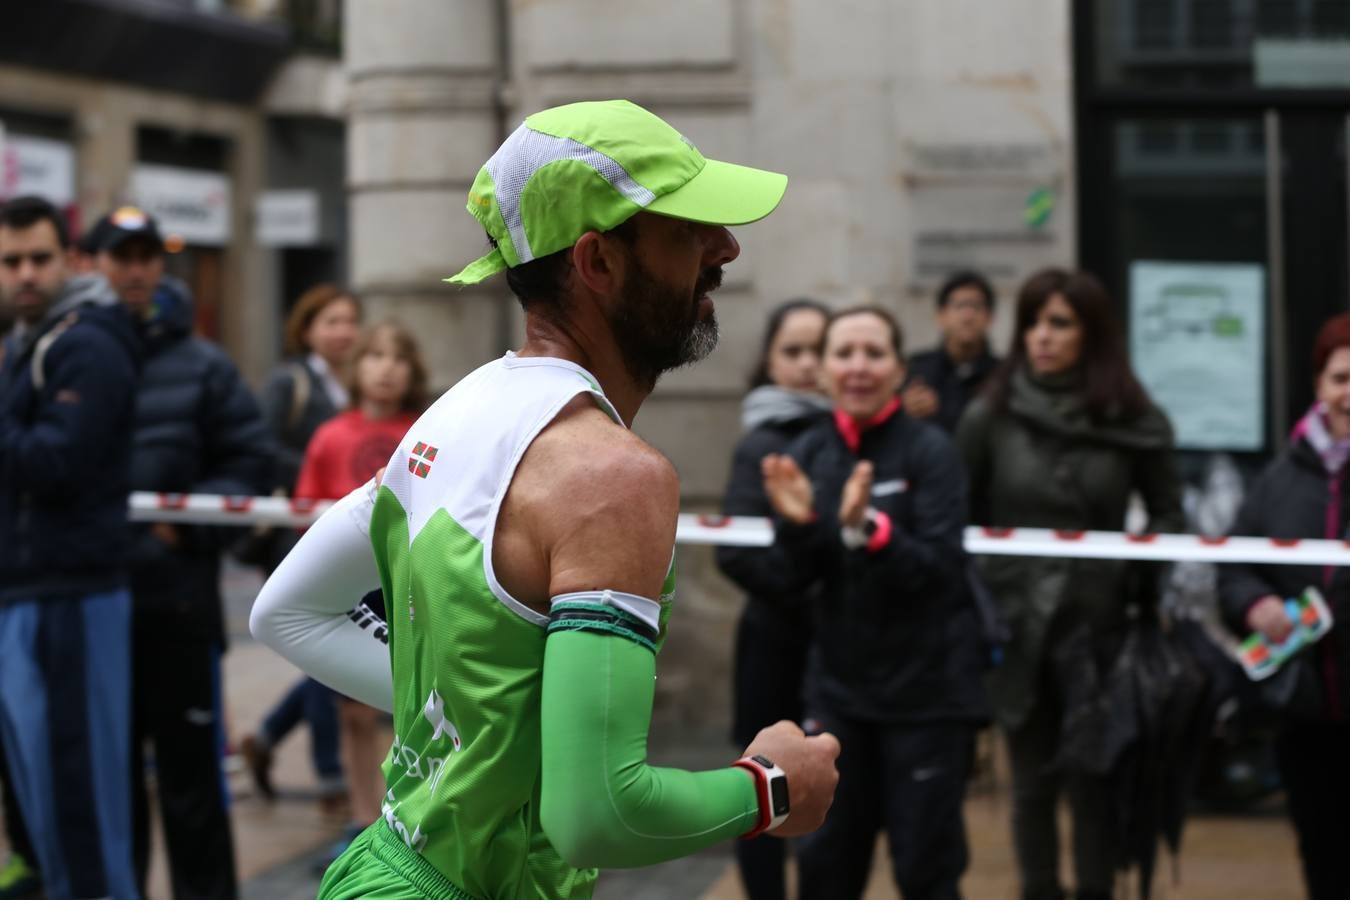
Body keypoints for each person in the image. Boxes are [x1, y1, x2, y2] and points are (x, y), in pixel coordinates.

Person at [250, 98, 840, 899]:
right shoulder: (615, 476)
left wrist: (486, 723)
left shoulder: (455, 411)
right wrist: (772, 787)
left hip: (382, 870)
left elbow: (285, 612)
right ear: (597, 263)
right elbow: (597, 818)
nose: (725, 247)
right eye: (685, 229)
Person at [956, 268, 1184, 900]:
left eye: (1059, 323)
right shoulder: (990, 415)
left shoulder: (1132, 418)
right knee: (1030, 785)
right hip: (1016, 622)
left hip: (1100, 624)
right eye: (1032, 322)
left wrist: (1136, 576)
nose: (1041, 337)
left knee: (1095, 778)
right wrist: (985, 595)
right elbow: (961, 516)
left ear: (1093, 334)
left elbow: (1169, 511)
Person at [758, 306, 987, 900]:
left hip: (927, 699)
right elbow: (792, 581)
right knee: (826, 866)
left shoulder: (931, 451)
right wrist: (803, 526)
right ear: (826, 370)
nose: (858, 367)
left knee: (925, 869)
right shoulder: (807, 451)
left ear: (899, 368)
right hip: (838, 698)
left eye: (874, 353)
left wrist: (870, 530)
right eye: (844, 353)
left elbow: (940, 570)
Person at [96, 205, 271, 900]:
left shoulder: (203, 364)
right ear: (97, 263)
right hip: (96, 604)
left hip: (180, 605)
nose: (136, 270)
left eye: (146, 256)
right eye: (122, 255)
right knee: (110, 787)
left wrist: (190, 528)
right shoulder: (72, 348)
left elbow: (250, 463)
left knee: (193, 785)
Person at [0, 195, 142, 900]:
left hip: (74, 595)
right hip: (27, 591)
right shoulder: (23, 344)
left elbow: (58, 463)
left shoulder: (86, 341)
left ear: (70, 261)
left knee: (80, 797)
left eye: (38, 258)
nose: (24, 273)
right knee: (44, 802)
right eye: (10, 261)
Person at [1219, 313, 1350, 900]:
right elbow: (1234, 565)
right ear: (1319, 386)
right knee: (1321, 851)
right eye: (1340, 378)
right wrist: (1257, 604)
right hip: (1305, 711)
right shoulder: (1279, 477)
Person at [292, 321, 427, 865]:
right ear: (357, 367)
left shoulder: (425, 430)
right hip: (353, 588)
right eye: (374, 355)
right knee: (353, 713)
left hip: (409, 583)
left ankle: (414, 813)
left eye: (398, 356)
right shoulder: (330, 436)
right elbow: (307, 513)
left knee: (414, 706)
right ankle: (363, 818)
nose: (386, 367)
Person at [714, 298, 829, 900]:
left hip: (841, 647)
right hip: (776, 642)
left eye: (820, 349)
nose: (809, 364)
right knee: (761, 788)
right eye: (794, 350)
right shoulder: (760, 442)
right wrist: (811, 579)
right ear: (769, 360)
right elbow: (735, 550)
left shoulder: (856, 435)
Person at [238, 283, 362, 805]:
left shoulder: (355, 384)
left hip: (348, 541)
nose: (343, 331)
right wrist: (322, 478)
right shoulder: (291, 383)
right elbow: (260, 448)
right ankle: (331, 771)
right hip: (296, 536)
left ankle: (267, 736)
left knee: (332, 645)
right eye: (330, 321)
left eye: (349, 321)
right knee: (323, 646)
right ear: (307, 328)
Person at [903, 270, 1000, 434]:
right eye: (959, 305)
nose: (968, 316)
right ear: (940, 316)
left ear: (990, 318)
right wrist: (904, 410)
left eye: (976, 306)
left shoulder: (1003, 374)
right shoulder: (916, 369)